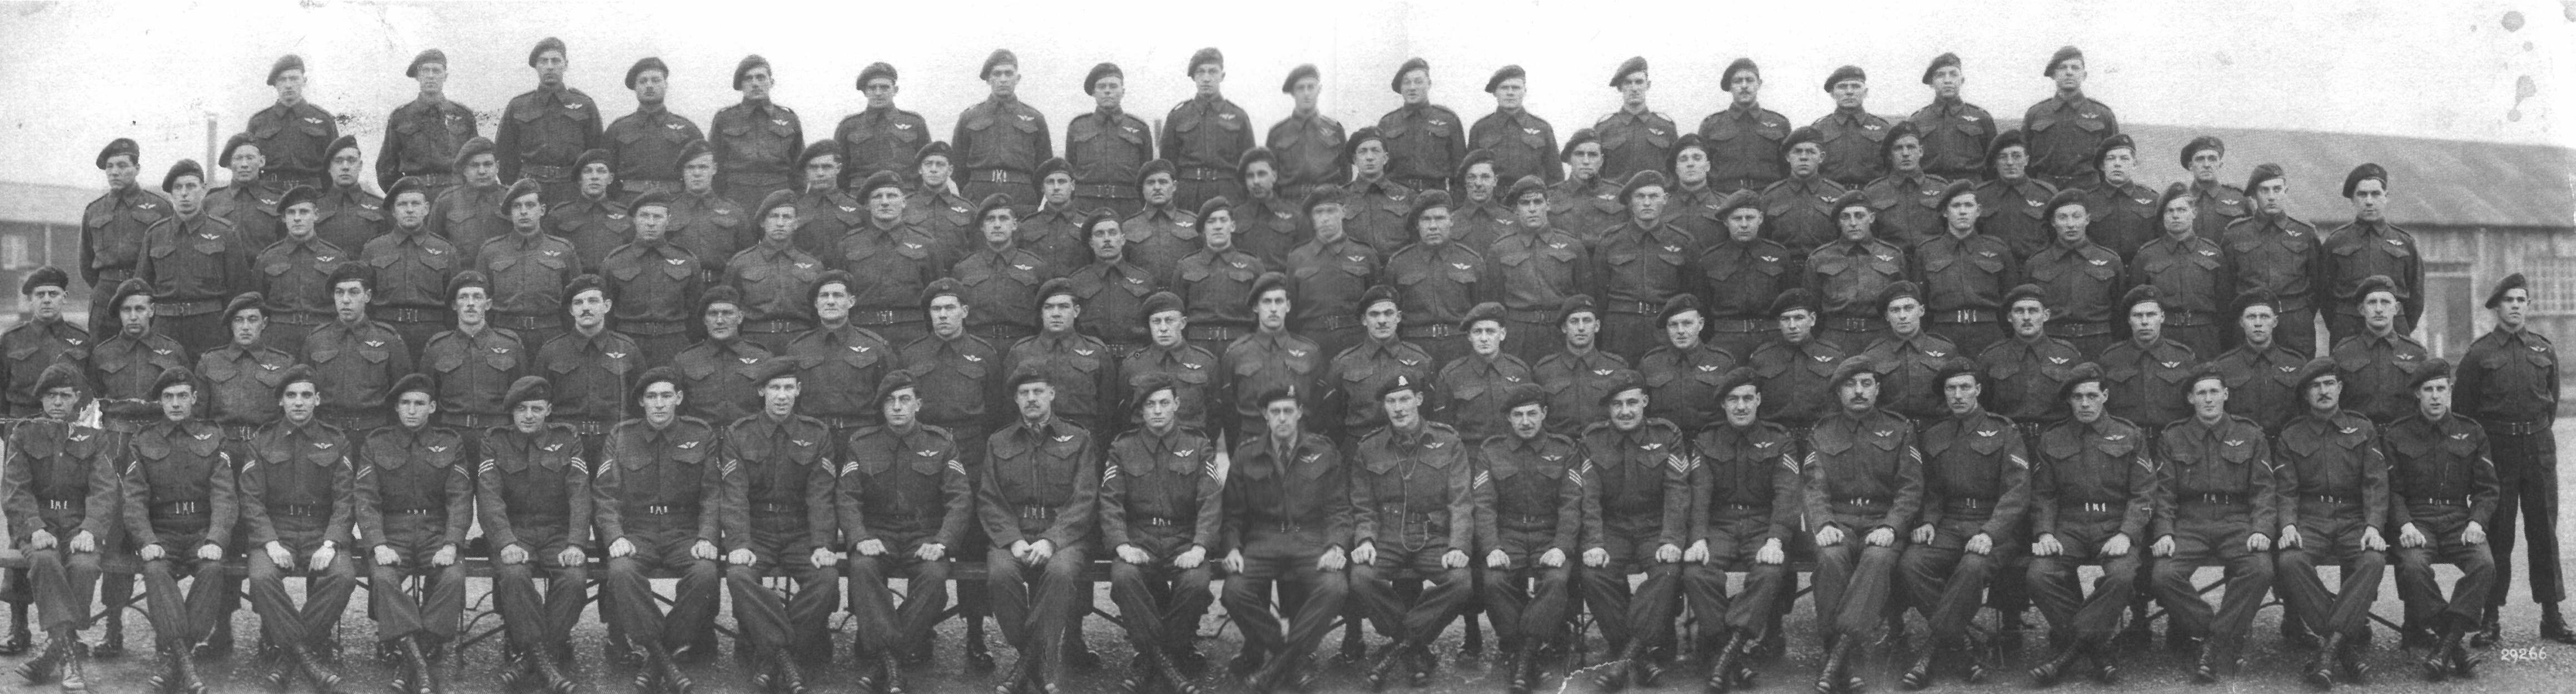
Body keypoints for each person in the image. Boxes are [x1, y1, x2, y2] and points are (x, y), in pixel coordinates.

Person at [1894, 362, 2031, 688]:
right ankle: (1963, 640)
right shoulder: (1935, 434)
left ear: (1978, 390)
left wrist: (1991, 533)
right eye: (1951, 389)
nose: (1958, 395)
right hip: (1950, 524)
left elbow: (2017, 492)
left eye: (1965, 388)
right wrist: (1928, 521)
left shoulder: (2004, 431)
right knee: (1911, 564)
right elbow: (1931, 489)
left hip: (1993, 525)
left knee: (1972, 567)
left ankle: (1933, 651)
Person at [2456, 273, 2573, 645]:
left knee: (2543, 532)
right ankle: (2490, 617)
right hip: (2497, 450)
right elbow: (2464, 412)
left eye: (2522, 299)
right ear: (2496, 307)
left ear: (2528, 305)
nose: (2516, 306)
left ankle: (2551, 615)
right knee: (2498, 532)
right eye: (2509, 300)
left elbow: (2551, 402)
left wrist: (2533, 433)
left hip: (2538, 448)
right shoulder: (2479, 354)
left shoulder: (2543, 349)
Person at [2022, 365, 2155, 686]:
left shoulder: (2129, 435)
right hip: (2069, 525)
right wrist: (2045, 532)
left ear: (2105, 396)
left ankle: (2073, 650)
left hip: (2115, 524)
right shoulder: (2053, 438)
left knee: (2122, 576)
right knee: (2039, 576)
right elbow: (2043, 494)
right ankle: (2096, 647)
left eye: (2092, 396)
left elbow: (2144, 493)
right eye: (2078, 397)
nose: (2085, 403)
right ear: (2069, 400)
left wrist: (2127, 534)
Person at [593, 367, 723, 691]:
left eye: (667, 396)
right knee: (621, 571)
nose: (660, 403)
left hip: (684, 531)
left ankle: (657, 652)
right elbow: (606, 495)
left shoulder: (701, 433)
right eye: (652, 397)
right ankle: (664, 652)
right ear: (641, 402)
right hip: (638, 531)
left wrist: (707, 536)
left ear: (679, 398)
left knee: (705, 573)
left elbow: (712, 493)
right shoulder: (622, 435)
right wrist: (615, 537)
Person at [1347, 375, 1481, 691]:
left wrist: (1458, 545)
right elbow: (1363, 505)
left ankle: (1404, 643)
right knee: (1361, 577)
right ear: (1384, 406)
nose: (1399, 408)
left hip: (1434, 535)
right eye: (1391, 401)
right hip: (1388, 535)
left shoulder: (1448, 441)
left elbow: (1461, 502)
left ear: (1419, 400)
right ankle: (1415, 646)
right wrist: (1365, 539)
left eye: (1405, 399)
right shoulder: (1369, 447)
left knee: (1461, 582)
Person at [2146, 366, 2278, 683]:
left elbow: (2264, 489)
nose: (2208, 399)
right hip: (2190, 521)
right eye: (2201, 393)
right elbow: (2164, 493)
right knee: (2163, 576)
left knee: (2260, 569)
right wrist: (2164, 532)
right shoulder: (2173, 437)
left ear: (2226, 395)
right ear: (2191, 399)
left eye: (2214, 392)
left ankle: (2213, 643)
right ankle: (2219, 635)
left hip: (2237, 520)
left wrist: (2261, 529)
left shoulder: (2250, 434)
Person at [836, 371, 965, 693]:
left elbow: (960, 499)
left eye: (905, 399)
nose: (897, 407)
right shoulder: (861, 444)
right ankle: (899, 653)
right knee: (862, 567)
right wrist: (860, 538)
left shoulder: (941, 443)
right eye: (890, 401)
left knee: (934, 575)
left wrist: (942, 543)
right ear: (881, 408)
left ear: (918, 404)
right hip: (878, 532)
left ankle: (884, 657)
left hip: (923, 533)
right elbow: (847, 497)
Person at [1801, 355, 1923, 694]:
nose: (1859, 391)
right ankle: (1845, 654)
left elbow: (1911, 487)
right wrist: (1824, 523)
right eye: (1850, 385)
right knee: (1830, 558)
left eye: (1866, 384)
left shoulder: (1900, 429)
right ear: (1839, 392)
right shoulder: (1822, 432)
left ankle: (1839, 656)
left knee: (1878, 558)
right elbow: (1814, 486)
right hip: (1838, 520)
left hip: (1882, 521)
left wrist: (1893, 526)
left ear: (1878, 389)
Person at [980, 365, 1103, 694]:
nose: (1031, 398)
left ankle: (1026, 665)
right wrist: (1013, 541)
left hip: (1064, 536)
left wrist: (1052, 540)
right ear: (1016, 399)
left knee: (1061, 573)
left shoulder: (1079, 439)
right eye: (1024, 393)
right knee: (1000, 575)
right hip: (1014, 534)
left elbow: (1085, 499)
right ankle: (1038, 661)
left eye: (1038, 391)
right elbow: (990, 500)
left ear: (1052, 394)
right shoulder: (999, 441)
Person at [1222, 387, 1352, 693]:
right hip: (1263, 541)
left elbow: (1339, 510)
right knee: (1233, 591)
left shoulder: (1324, 451)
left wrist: (1336, 546)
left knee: (1334, 587)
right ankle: (1290, 657)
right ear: (1265, 416)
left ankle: (1279, 665)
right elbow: (1232, 514)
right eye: (1275, 412)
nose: (1282, 418)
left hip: (1309, 540)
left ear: (1300, 413)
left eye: (1288, 411)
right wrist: (1233, 548)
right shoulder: (1246, 454)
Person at [2270, 358, 2390, 687]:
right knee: (2290, 561)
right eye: (2315, 386)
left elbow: (2376, 483)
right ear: (2306, 394)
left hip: (2353, 518)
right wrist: (2289, 526)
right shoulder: (2292, 435)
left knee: (2373, 559)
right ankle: (2344, 649)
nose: (2323, 391)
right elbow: (2286, 490)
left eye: (2329, 384)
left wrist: (2373, 527)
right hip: (2311, 518)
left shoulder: (2362, 429)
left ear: (2340, 388)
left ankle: (2330, 648)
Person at [1101, 375, 1225, 694]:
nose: (1157, 411)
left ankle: (1152, 659)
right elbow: (1110, 501)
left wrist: (1200, 547)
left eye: (1164, 403)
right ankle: (1168, 660)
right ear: (1141, 411)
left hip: (1183, 538)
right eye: (1150, 405)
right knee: (1125, 578)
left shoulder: (1198, 445)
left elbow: (1210, 501)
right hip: (1140, 538)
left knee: (1196, 583)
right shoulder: (1123, 447)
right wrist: (1122, 545)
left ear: (1177, 405)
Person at [1681, 368, 1800, 693]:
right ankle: (1733, 654)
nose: (1741, 406)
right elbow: (1700, 495)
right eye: (1733, 399)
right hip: (1720, 525)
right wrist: (1698, 539)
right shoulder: (1707, 441)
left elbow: (1787, 495)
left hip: (1762, 525)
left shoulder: (1780, 440)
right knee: (1695, 571)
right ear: (1723, 404)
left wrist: (1775, 540)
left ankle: (1725, 648)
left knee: (1771, 571)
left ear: (1759, 400)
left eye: (1748, 398)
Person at [239, 365, 357, 693]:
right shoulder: (261, 441)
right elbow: (251, 499)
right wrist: (270, 542)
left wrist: (331, 543)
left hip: (321, 530)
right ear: (281, 401)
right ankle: (305, 655)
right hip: (277, 530)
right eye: (291, 395)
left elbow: (346, 500)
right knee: (262, 579)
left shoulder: (336, 440)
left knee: (343, 577)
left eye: (306, 395)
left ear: (318, 399)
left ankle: (289, 656)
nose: (299, 402)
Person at [2, 363, 118, 693]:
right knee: (44, 561)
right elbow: (15, 489)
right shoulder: (23, 434)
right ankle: (69, 659)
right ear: (41, 399)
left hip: (79, 524)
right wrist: (34, 528)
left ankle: (52, 651)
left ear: (77, 398)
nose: (57, 402)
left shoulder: (94, 436)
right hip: (40, 524)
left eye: (65, 396)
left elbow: (104, 489)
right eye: (51, 395)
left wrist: (91, 529)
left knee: (85, 566)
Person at [354, 373, 472, 694]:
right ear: (396, 407)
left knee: (453, 577)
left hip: (436, 530)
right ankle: (420, 661)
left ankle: (412, 650)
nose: (411, 410)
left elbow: (460, 498)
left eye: (419, 403)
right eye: (405, 403)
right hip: (393, 532)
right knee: (383, 578)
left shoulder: (451, 442)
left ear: (432, 407)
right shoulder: (376, 443)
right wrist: (378, 544)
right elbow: (366, 499)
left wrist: (452, 543)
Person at [2385, 359, 2500, 680]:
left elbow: (2488, 488)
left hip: (2458, 519)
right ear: (2417, 394)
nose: (2435, 396)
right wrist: (2404, 524)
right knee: (2412, 567)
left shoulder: (2471, 431)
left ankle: (2446, 644)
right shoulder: (2398, 434)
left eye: (2441, 389)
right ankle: (2454, 646)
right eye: (2428, 390)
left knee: (2484, 565)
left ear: (2450, 391)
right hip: (2416, 520)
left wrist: (2477, 522)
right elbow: (2391, 491)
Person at [121, 367, 234, 694]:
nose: (175, 403)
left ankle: (176, 657)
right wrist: (146, 540)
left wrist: (216, 539)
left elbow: (225, 495)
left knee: (213, 568)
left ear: (194, 398)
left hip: (201, 530)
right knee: (155, 570)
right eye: (168, 397)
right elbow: (134, 498)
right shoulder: (143, 439)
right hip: (162, 532)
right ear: (160, 401)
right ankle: (185, 661)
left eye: (182, 396)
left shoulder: (213, 435)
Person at [1472, 383, 1589, 694]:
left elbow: (1571, 503)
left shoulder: (1564, 449)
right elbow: (1484, 505)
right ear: (1509, 418)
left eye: (1532, 414)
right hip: (1508, 534)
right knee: (1494, 582)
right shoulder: (1491, 451)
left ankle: (1523, 655)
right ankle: (1527, 648)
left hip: (1549, 534)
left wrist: (1561, 547)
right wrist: (1492, 547)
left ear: (1544, 413)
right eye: (1518, 415)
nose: (1526, 422)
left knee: (1556, 581)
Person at [477, 376, 590, 694]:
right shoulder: (495, 440)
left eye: (536, 409)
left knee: (574, 579)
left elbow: (579, 493)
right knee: (514, 575)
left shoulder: (567, 438)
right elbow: (489, 498)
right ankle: (546, 659)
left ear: (549, 410)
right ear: (512, 412)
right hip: (515, 531)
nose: (528, 416)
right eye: (521, 409)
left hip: (557, 531)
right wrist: (506, 542)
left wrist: (576, 543)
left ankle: (531, 657)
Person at [1576, 380, 1692, 691]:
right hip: (1613, 527)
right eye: (1617, 405)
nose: (1625, 411)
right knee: (1593, 574)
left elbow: (1677, 491)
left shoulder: (1667, 435)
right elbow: (1589, 497)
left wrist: (1671, 539)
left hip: (1655, 526)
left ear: (1645, 402)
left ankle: (1625, 655)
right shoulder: (1592, 440)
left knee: (1669, 571)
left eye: (1631, 403)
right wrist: (1594, 543)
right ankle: (1641, 656)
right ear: (1608, 409)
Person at [135, 159, 252, 355]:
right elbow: (142, 287)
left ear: (203, 189)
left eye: (191, 186)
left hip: (210, 327)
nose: (184, 193)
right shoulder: (155, 234)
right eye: (178, 187)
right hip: (165, 327)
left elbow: (239, 288)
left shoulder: (224, 232)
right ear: (171, 194)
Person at [421, 271, 529, 455]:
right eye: (463, 297)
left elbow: (523, 396)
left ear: (488, 304)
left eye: (477, 297)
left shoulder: (510, 345)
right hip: (451, 435)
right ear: (454, 305)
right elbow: (427, 396)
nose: (470, 303)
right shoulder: (437, 347)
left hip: (499, 435)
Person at [1592, 172, 1697, 361]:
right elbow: (1599, 294)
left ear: (1665, 199)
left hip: (1664, 329)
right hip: (1620, 330)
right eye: (1640, 197)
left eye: (1654, 196)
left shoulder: (1682, 242)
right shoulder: (1611, 241)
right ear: (1630, 202)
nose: (1647, 203)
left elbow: (1691, 294)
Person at [535, 274, 640, 460]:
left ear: (607, 306)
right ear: (571, 310)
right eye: (578, 303)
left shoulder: (627, 349)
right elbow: (538, 401)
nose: (585, 308)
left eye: (593, 301)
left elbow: (639, 402)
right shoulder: (551, 351)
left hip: (615, 441)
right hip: (565, 441)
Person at [2222, 163, 2324, 355]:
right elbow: (2226, 287)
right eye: (2264, 190)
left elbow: (2318, 285)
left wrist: (2299, 313)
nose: (2271, 196)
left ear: (2286, 192)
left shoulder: (2305, 233)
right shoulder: (2235, 234)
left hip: (2294, 324)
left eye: (2277, 189)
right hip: (2251, 322)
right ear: (2254, 195)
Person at [1490, 177, 1593, 363]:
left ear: (1548, 205)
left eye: (1538, 202)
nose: (1532, 209)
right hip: (1518, 334)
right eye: (1525, 203)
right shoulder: (1500, 249)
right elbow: (1494, 302)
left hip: (1561, 332)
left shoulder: (1572, 246)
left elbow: (1586, 296)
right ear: (1516, 209)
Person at [305, 264, 416, 433]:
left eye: (354, 292)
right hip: (328, 432)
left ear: (367, 296)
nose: (345, 300)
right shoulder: (316, 340)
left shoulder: (388, 339)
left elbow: (404, 392)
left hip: (375, 432)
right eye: (339, 292)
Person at [1912, 180, 2017, 355]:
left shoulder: (1998, 249)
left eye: (1968, 205)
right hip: (1943, 333)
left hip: (1989, 333)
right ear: (1945, 212)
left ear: (1978, 211)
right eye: (1956, 206)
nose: (1962, 211)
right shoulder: (1927, 252)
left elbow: (2010, 297)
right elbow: (1921, 301)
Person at [2321, 164, 2423, 344]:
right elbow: (2325, 295)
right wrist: (2342, 322)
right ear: (2353, 199)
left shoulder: (2405, 242)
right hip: (2348, 329)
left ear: (2386, 197)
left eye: (2376, 194)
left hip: (2394, 329)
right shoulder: (2336, 242)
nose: (2369, 201)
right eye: (2362, 195)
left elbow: (2416, 296)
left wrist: (2398, 323)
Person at [364, 177, 465, 358]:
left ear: (426, 209)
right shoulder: (374, 249)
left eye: (415, 204)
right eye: (402, 204)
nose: (410, 209)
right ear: (393, 211)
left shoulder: (446, 250)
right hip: (385, 331)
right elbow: (365, 298)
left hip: (432, 333)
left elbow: (455, 301)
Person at [600, 192, 705, 366]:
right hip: (628, 343)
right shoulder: (615, 261)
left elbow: (696, 310)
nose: (651, 223)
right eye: (644, 216)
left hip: (673, 343)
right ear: (634, 220)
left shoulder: (687, 260)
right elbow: (606, 311)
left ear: (668, 220)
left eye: (658, 217)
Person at [477, 178, 583, 349]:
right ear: (510, 212)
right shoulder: (491, 251)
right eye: (517, 206)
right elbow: (481, 301)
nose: (523, 211)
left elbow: (576, 299)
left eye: (530, 205)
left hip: (551, 335)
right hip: (504, 335)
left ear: (542, 210)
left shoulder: (563, 250)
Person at [1385, 191, 1489, 365]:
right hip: (1414, 347)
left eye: (1440, 218)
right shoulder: (1399, 264)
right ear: (1417, 225)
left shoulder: (1472, 261)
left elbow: (1482, 312)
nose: (1433, 226)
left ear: (1451, 221)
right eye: (1426, 219)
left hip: (1460, 346)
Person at [496, 37, 603, 204]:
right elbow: (505, 152)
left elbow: (596, 151)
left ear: (566, 65)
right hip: (530, 186)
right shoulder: (519, 106)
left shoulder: (584, 105)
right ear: (536, 66)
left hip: (571, 187)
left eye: (556, 61)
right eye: (543, 61)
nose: (550, 66)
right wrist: (515, 187)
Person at [81, 138, 170, 339]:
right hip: (105, 298)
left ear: (137, 169)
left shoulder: (160, 207)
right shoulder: (94, 210)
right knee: (102, 353)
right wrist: (105, 286)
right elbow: (86, 263)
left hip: (146, 296)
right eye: (109, 167)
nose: (114, 172)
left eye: (122, 166)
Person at [2127, 183, 2230, 357]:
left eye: (2182, 210)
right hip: (2163, 335)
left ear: (2194, 213)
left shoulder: (2213, 254)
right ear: (2163, 217)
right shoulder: (2147, 255)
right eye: (2169, 211)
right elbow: (2135, 304)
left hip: (2204, 336)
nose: (2175, 216)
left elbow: (2225, 305)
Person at [1325, 286, 1436, 445]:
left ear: (1398, 317)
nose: (1382, 320)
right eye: (1374, 314)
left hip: (1408, 446)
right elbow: (1333, 417)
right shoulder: (1344, 363)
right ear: (1364, 320)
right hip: (1359, 446)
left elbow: (1429, 410)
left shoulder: (1420, 360)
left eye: (1389, 313)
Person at [1006, 278, 1118, 435]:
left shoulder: (1096, 351)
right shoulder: (1021, 352)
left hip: (1083, 438)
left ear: (1076, 311)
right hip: (1034, 437)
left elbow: (1107, 408)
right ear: (1041, 313)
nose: (1056, 314)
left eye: (1064, 307)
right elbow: (1009, 408)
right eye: (1049, 308)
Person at [1225, 273, 1327, 442]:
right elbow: (1229, 413)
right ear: (1256, 307)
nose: (1273, 309)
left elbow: (1318, 408)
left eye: (1279, 301)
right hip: (1252, 442)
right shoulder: (1237, 353)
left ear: (1288, 306)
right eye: (1267, 302)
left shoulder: (1310, 352)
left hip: (1298, 442)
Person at [2026, 190, 2123, 359]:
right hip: (2052, 342)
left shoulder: (2110, 261)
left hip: (2099, 342)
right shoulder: (2037, 263)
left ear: (2087, 219)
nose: (2071, 224)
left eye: (2077, 217)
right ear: (2053, 222)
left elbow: (2120, 310)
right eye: (2063, 218)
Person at [1806, 191, 1907, 352]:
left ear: (1872, 218)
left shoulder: (1894, 256)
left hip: (1882, 337)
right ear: (1839, 222)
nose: (1853, 223)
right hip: (1835, 339)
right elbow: (1811, 306)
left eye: (1860, 216)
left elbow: (1904, 300)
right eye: (1845, 217)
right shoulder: (1820, 258)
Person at [1689, 192, 1786, 357]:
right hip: (1726, 341)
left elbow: (1788, 302)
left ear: (1761, 219)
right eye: (1737, 219)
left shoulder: (1779, 255)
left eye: (1750, 218)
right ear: (1726, 221)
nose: (1744, 224)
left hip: (1771, 340)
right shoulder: (1710, 259)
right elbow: (1702, 306)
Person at [1283, 192, 1379, 361]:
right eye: (1319, 212)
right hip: (1312, 341)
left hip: (1355, 340)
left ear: (1343, 212)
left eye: (1331, 211)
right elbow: (1291, 311)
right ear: (1312, 218)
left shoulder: (1365, 253)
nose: (1325, 218)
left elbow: (1376, 302)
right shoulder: (1298, 257)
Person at [1976, 286, 2082, 436]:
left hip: (2057, 438)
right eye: (2019, 311)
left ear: (2046, 315)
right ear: (2010, 317)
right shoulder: (1992, 357)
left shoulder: (2068, 354)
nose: (2026, 317)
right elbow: (1981, 406)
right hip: (2008, 438)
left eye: (2033, 311)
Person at [727, 189, 823, 352]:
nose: (780, 223)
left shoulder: (812, 265)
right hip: (755, 341)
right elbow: (729, 307)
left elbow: (818, 313)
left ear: (797, 223)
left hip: (801, 340)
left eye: (787, 217)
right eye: (774, 216)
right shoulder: (741, 263)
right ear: (762, 222)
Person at [2327, 276, 2430, 426]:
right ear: (2362, 310)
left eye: (2385, 302)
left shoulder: (2416, 353)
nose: (2379, 309)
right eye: (2372, 303)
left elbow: (2426, 403)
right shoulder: (2344, 352)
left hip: (2403, 435)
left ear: (2396, 309)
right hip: (2357, 435)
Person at [1121, 292, 1225, 435]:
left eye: (1169, 320)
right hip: (1144, 445)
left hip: (1191, 445)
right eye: (1156, 322)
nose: (1163, 328)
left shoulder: (1206, 362)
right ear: (1149, 325)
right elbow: (1124, 416)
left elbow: (1215, 416)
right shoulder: (1133, 364)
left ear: (1183, 323)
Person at [2096, 286, 2196, 433]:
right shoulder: (2111, 359)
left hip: (2171, 439)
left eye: (2151, 315)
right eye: (2138, 316)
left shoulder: (2183, 357)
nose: (2144, 322)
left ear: (2162, 317)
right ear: (2129, 320)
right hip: (2126, 439)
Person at [956, 49, 1052, 203]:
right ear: (989, 79)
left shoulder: (1035, 119)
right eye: (997, 74)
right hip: (978, 193)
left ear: (1017, 78)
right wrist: (971, 191)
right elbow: (958, 166)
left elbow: (1044, 166)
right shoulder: (969, 117)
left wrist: (1029, 195)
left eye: (1008, 74)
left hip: (1021, 195)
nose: (1003, 79)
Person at [1855, 282, 1959, 423]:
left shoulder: (1946, 350)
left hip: (1937, 428)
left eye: (1909, 308)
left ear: (1921, 311)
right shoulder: (1874, 355)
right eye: (1895, 310)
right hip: (1891, 431)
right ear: (1887, 316)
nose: (1903, 316)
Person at [1174, 198, 1267, 356]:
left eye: (1223, 220)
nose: (1218, 226)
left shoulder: (1253, 265)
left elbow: (1263, 311)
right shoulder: (1186, 266)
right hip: (1198, 346)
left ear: (1233, 226)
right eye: (1211, 222)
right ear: (1203, 229)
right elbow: (1177, 312)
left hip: (1242, 344)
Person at [603, 58, 704, 202]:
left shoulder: (688, 129)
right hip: (629, 202)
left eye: (656, 80)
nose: (649, 86)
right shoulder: (618, 129)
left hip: (674, 201)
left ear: (666, 85)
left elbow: (701, 170)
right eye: (643, 81)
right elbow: (605, 170)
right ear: (635, 87)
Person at [1745, 289, 1844, 437]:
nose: (1792, 326)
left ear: (1812, 320)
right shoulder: (1762, 358)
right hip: (1775, 438)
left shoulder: (1834, 356)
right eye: (1785, 319)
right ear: (1779, 323)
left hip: (1823, 437)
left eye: (1799, 318)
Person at [379, 49, 477, 198]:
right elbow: (386, 168)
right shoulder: (401, 117)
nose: (431, 76)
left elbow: (475, 160)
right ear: (418, 76)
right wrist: (403, 196)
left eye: (436, 71)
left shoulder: (463, 115)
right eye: (425, 71)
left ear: (445, 76)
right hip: (416, 196)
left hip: (456, 196)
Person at [1163, 49, 1253, 209]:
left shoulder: (1238, 116)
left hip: (1228, 193)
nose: (1206, 78)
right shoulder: (1178, 117)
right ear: (1194, 77)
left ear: (1222, 76)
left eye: (1213, 72)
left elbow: (1249, 164)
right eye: (1200, 72)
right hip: (1189, 195)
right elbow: (1168, 164)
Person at [2209, 289, 2307, 433]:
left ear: (2275, 322)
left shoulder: (2296, 363)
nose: (2258, 323)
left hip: (2285, 442)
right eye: (2251, 317)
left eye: (2265, 317)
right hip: (2241, 443)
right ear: (2241, 322)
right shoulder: (2224, 366)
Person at [711, 55, 802, 209]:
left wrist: (796, 200)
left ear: (771, 82)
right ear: (741, 85)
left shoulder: (788, 118)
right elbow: (715, 163)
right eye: (748, 79)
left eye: (761, 78)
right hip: (736, 198)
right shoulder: (725, 119)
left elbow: (799, 166)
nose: (755, 83)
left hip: (779, 196)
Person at [955, 196, 1048, 345]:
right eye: (990, 219)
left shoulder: (1036, 266)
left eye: (1004, 219)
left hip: (1023, 344)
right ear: (982, 227)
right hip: (977, 344)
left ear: (1015, 225)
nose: (997, 225)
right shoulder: (965, 268)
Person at [2021, 47, 2117, 191]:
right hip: (2044, 190)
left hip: (2088, 191)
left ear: (2084, 75)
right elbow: (2024, 159)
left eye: (2075, 68)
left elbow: (2113, 158)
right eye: (2063, 68)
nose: (2069, 72)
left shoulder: (2103, 115)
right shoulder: (2035, 114)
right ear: (2053, 74)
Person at [1434, 303, 1534, 442]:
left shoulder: (1520, 371)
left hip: (1512, 450)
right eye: (1477, 332)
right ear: (1469, 336)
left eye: (1490, 331)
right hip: (1471, 451)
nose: (1484, 338)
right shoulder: (1452, 375)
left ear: (1503, 334)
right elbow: (1443, 428)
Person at [1637, 295, 1738, 432]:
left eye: (1687, 324)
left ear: (1701, 324)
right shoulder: (1650, 363)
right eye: (1673, 325)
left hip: (1710, 440)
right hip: (1663, 440)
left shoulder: (1723, 362)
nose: (1680, 331)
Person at [1069, 63, 1155, 218]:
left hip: (1128, 206)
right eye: (1102, 87)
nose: (1108, 91)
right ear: (1094, 92)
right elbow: (1070, 169)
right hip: (1086, 206)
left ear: (1123, 92)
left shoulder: (1139, 127)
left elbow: (1146, 171)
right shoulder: (1078, 126)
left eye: (1113, 86)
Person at [1066, 213, 1157, 357]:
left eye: (1113, 233)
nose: (1107, 239)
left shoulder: (1145, 279)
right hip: (1092, 357)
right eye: (1099, 234)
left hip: (1136, 357)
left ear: (1123, 239)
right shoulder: (1077, 282)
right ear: (1091, 243)